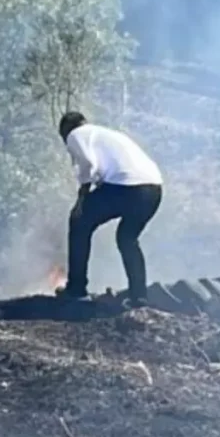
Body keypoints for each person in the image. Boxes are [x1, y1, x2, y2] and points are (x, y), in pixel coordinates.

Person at [56, 112, 163, 308]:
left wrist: (83, 194)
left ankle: (76, 290)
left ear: (65, 131)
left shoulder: (76, 134)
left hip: (126, 187)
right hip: (153, 189)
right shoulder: (106, 134)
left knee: (79, 221)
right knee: (127, 238)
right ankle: (139, 297)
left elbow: (88, 163)